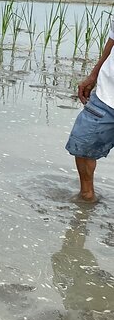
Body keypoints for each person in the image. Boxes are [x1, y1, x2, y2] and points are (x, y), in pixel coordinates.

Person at [65, 16, 114, 203]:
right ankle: (87, 196)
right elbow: (112, 41)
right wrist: (93, 75)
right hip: (107, 95)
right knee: (82, 144)